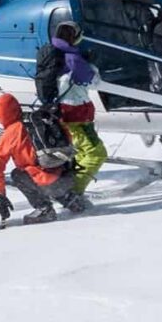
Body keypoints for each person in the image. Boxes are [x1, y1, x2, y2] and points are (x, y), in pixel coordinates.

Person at [35, 20, 108, 200]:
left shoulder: (54, 54)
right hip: (77, 116)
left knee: (82, 152)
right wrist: (91, 65)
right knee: (96, 153)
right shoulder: (73, 58)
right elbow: (93, 80)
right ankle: (73, 191)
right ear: (74, 36)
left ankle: (71, 185)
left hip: (63, 115)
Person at [0, 92, 80, 225]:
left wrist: (0, 195)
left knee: (18, 174)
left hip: (47, 183)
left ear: (0, 114)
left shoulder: (10, 133)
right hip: (67, 175)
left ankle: (44, 209)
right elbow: (67, 137)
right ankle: (69, 199)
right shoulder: (38, 122)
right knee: (44, 169)